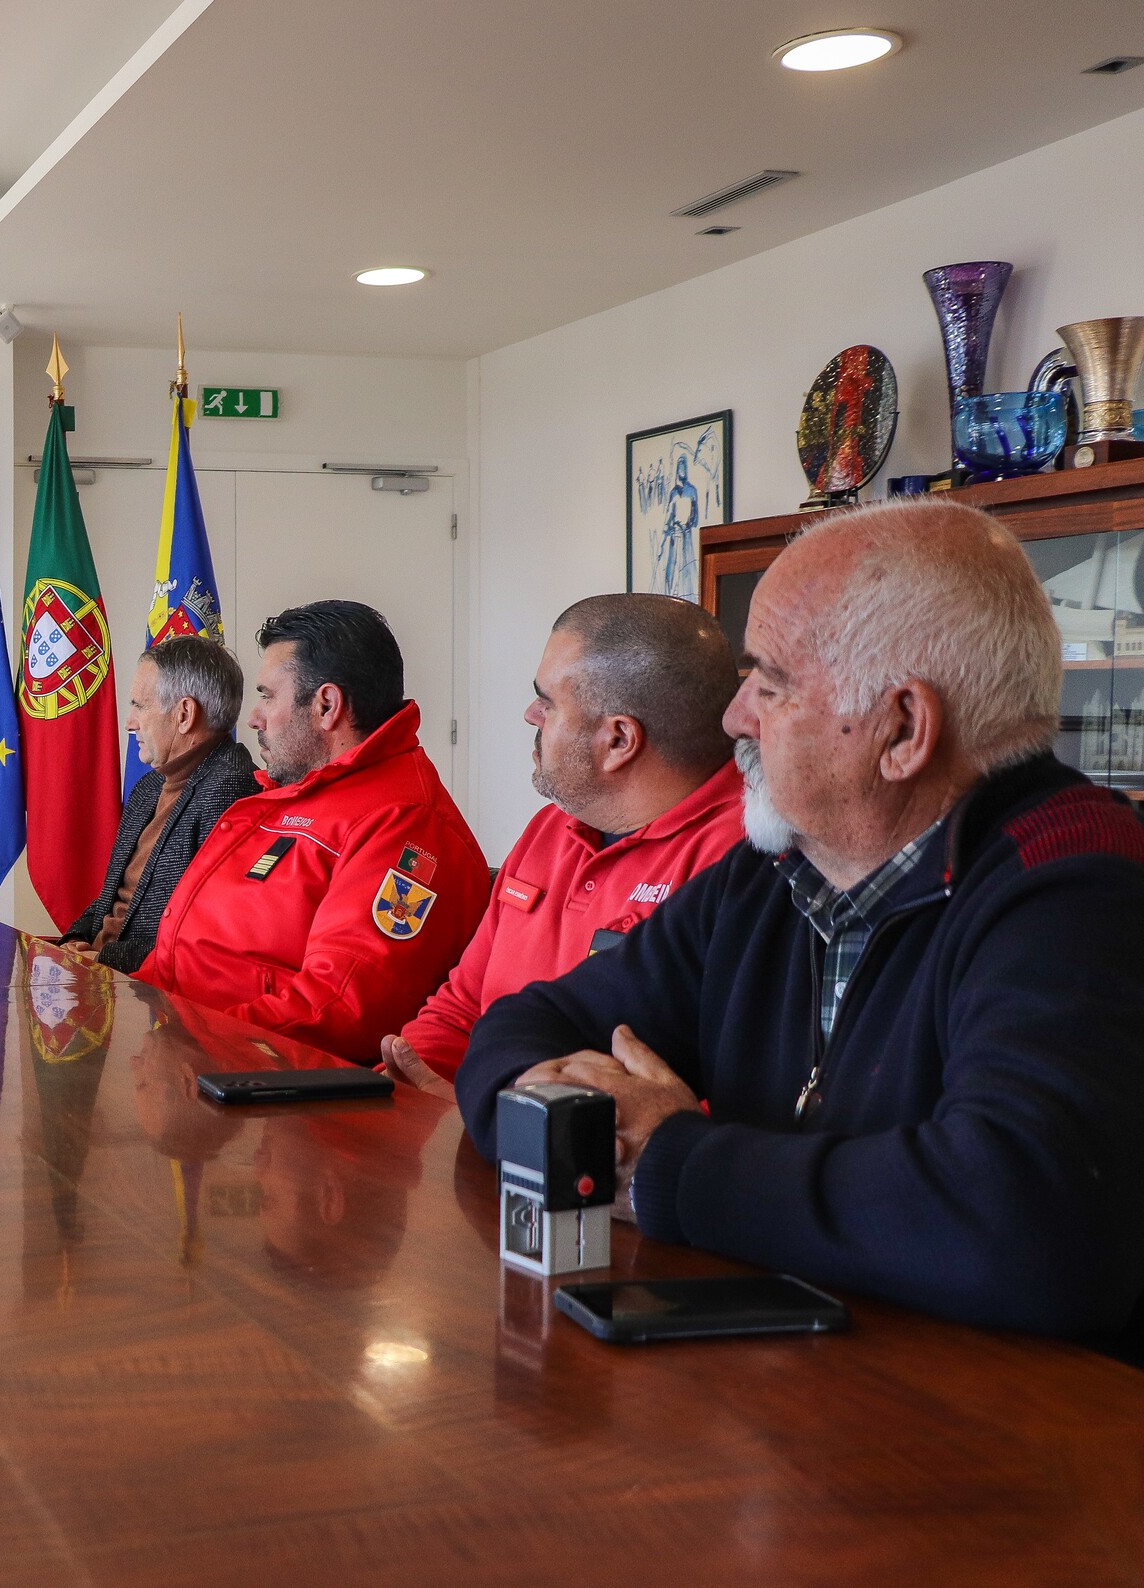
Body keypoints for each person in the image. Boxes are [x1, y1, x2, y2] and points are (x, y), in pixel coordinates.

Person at [458, 502, 1144, 1343]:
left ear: (901, 730)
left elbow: (1024, 1220)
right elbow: (527, 1025)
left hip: (992, 1436)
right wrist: (574, 1123)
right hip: (786, 1397)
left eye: (770, 685)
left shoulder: (1077, 885)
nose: (734, 717)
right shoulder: (774, 872)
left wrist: (673, 1162)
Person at [379, 594, 744, 1095]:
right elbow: (463, 1009)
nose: (531, 714)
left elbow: (735, 1099)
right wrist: (392, 1089)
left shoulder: (746, 861)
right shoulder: (550, 830)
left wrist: (485, 1113)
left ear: (618, 740)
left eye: (547, 701)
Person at [136, 601, 488, 1063]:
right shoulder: (293, 790)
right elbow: (178, 949)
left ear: (327, 705)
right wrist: (126, 1002)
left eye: (267, 696)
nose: (254, 718)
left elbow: (338, 1009)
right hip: (185, 1048)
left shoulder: (405, 823)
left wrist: (186, 1042)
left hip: (254, 1081)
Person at [61, 635, 260, 973]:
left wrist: (102, 960)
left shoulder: (234, 792)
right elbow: (112, 897)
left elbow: (206, 942)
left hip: (146, 993)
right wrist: (74, 939)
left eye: (139, 705)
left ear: (184, 713)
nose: (130, 722)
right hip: (100, 974)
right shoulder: (151, 785)